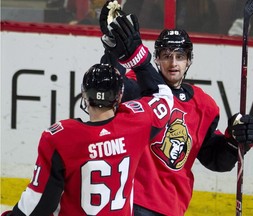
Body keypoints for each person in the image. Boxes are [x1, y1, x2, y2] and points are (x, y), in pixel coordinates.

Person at [99, 2, 253, 215]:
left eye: (180, 56)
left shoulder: (204, 105)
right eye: (166, 56)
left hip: (171, 207)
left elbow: (215, 160)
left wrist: (235, 140)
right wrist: (112, 50)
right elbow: (106, 90)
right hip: (130, 202)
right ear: (156, 59)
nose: (173, 63)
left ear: (189, 60)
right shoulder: (134, 86)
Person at [1, 59, 173, 214]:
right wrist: (138, 57)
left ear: (84, 95)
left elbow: (40, 203)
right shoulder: (137, 124)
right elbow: (164, 97)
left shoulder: (60, 137)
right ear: (120, 95)